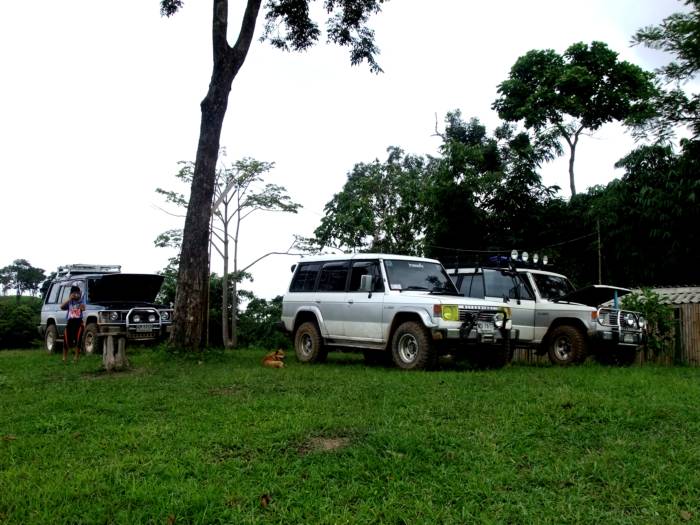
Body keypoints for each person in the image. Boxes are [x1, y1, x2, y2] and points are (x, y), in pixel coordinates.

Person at [60, 284, 86, 363]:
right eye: (74, 293)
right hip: (70, 322)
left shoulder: (82, 300)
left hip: (78, 322)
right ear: (71, 294)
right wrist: (69, 299)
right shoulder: (69, 301)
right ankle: (64, 358)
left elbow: (83, 308)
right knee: (66, 340)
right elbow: (61, 307)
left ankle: (76, 358)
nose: (76, 295)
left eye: (77, 293)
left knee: (78, 340)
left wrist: (80, 303)